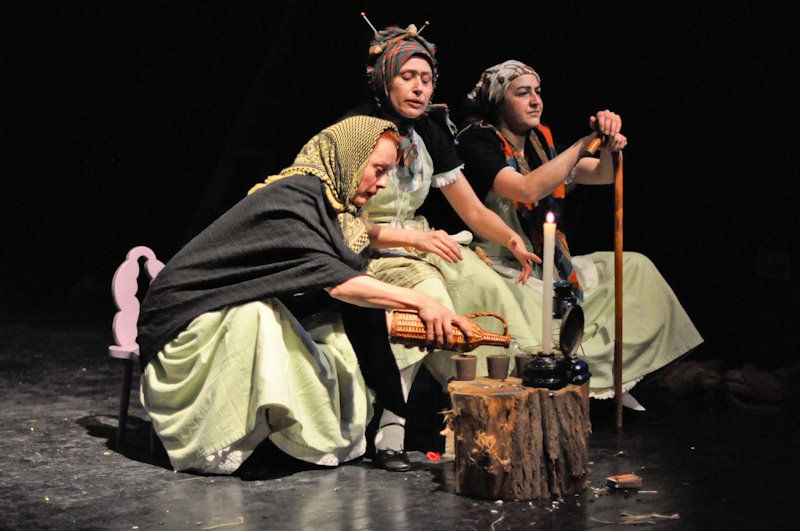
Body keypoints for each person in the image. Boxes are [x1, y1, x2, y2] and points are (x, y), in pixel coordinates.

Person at [137, 116, 472, 474]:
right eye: (378, 170)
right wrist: (420, 300)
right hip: (180, 327)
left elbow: (359, 236)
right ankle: (227, 438)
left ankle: (294, 436)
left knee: (333, 331)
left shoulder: (328, 204)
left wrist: (416, 244)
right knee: (258, 316)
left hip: (209, 315)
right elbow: (339, 282)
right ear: (351, 158)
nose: (382, 183)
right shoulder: (294, 200)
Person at [423, 60, 703, 407]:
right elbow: (526, 188)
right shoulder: (476, 140)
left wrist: (608, 147)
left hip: (550, 261)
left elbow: (601, 175)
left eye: (537, 92)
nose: (535, 100)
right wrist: (582, 144)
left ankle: (605, 377)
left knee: (634, 267)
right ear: (498, 101)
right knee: (523, 305)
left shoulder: (540, 141)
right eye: (522, 93)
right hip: (502, 261)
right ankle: (541, 384)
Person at [334, 26, 546, 453]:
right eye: (408, 77)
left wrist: (511, 239)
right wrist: (416, 243)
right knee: (431, 295)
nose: (419, 88)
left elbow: (472, 210)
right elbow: (343, 222)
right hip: (369, 245)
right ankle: (394, 420)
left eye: (427, 80)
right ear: (384, 79)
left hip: (423, 240)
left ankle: (491, 409)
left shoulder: (429, 130)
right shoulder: (356, 129)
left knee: (488, 289)